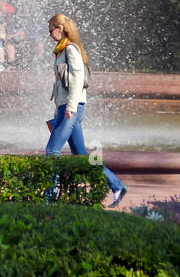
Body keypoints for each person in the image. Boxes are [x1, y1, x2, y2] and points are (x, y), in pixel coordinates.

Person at [45, 12, 126, 207]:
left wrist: (70, 107)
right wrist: (59, 108)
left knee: (52, 150)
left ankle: (51, 195)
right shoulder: (62, 50)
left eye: (51, 30)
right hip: (67, 108)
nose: (49, 35)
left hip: (72, 108)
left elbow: (78, 81)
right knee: (82, 156)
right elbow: (61, 85)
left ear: (60, 28)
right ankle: (116, 185)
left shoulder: (71, 49)